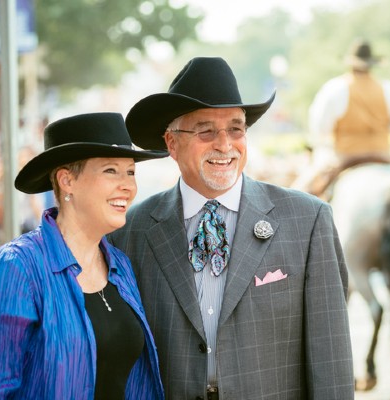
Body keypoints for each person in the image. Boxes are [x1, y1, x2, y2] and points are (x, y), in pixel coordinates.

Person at [110, 57, 354, 399]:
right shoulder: (129, 231)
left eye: (236, 129)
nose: (224, 145)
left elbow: (332, 358)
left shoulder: (307, 220)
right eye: (205, 130)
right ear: (171, 143)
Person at [0, 112, 168, 399]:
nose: (128, 186)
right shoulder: (14, 269)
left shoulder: (120, 265)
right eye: (111, 170)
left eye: (131, 172)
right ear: (67, 181)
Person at [294, 39, 390, 197]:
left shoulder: (335, 89)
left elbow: (319, 128)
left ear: (350, 63)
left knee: (299, 192)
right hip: (383, 155)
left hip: (345, 156)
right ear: (372, 65)